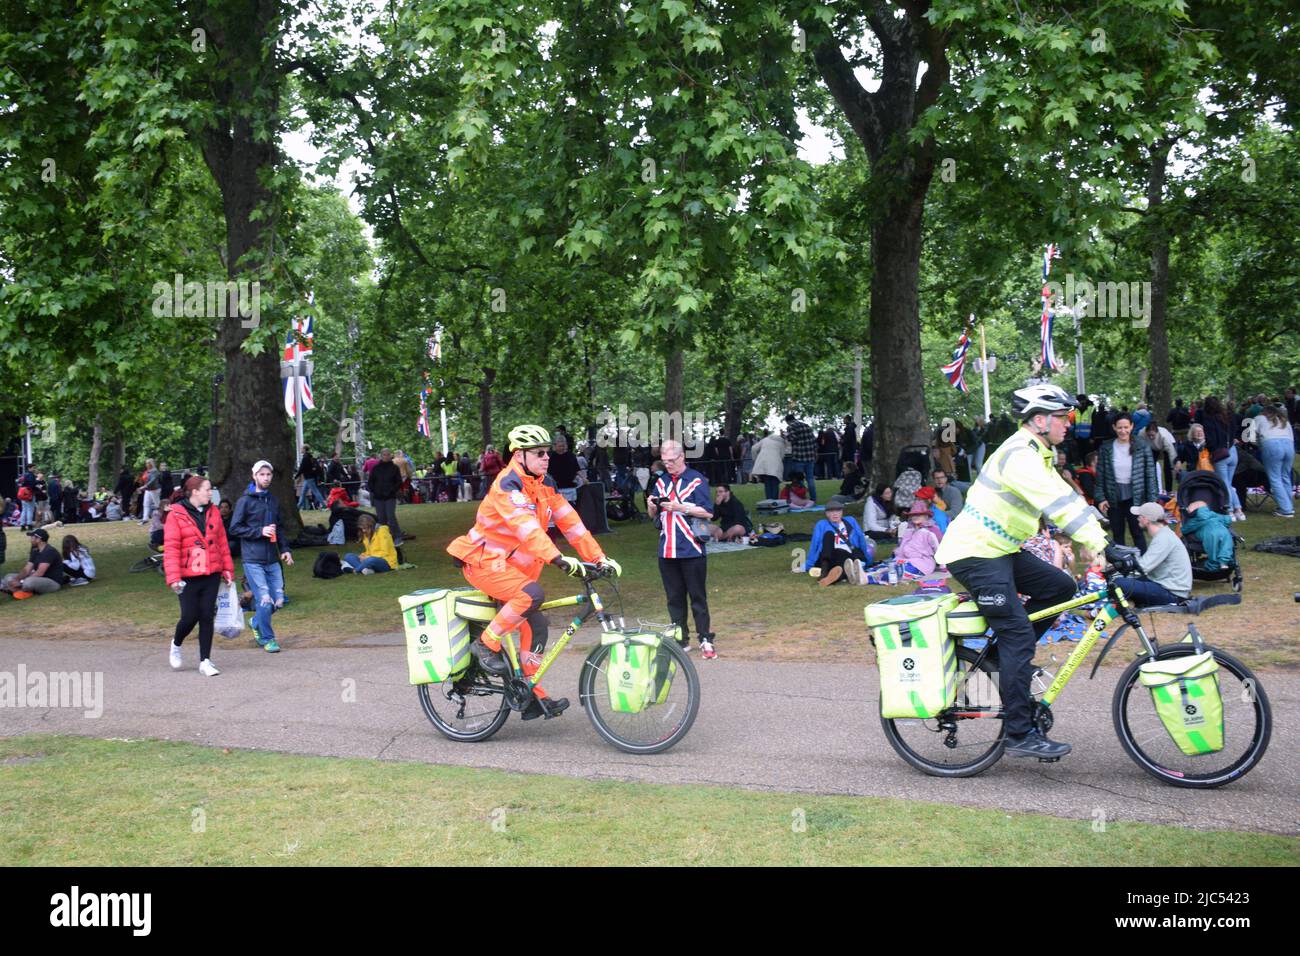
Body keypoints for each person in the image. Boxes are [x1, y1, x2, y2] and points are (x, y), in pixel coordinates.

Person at [934, 384, 1110, 761]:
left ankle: (1005, 659)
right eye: (1064, 417)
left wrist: (1102, 536)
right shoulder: (1019, 454)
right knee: (1018, 636)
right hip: (974, 554)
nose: (1069, 423)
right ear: (1040, 420)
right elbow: (1057, 503)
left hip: (999, 551)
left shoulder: (1039, 453)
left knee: (1061, 587)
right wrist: (1099, 544)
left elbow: (1069, 499)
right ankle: (1019, 733)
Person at [446, 424, 619, 719]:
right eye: (539, 453)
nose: (546, 457)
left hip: (510, 569)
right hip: (484, 563)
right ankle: (485, 644)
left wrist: (599, 558)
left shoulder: (544, 483)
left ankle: (530, 695)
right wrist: (558, 559)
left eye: (548, 452)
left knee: (537, 626)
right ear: (520, 455)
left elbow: (572, 524)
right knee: (532, 594)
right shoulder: (507, 486)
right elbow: (526, 529)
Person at [648, 439, 716, 659]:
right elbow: (654, 517)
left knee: (698, 597)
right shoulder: (661, 482)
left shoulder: (696, 480)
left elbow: (708, 512)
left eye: (671, 460)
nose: (667, 465)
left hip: (692, 548)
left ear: (682, 457)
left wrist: (681, 507)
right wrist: (651, 506)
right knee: (674, 598)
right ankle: (681, 639)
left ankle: (705, 638)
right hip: (667, 549)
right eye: (664, 461)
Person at [163, 475, 235, 676]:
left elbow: (222, 543)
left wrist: (228, 570)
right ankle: (176, 644)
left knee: (206, 616)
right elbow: (171, 548)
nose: (210, 493)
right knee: (189, 617)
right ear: (194, 491)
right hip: (187, 576)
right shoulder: (176, 514)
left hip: (211, 573)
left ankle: (205, 660)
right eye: (207, 489)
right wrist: (174, 578)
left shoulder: (213, 511)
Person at [229, 460, 294, 654]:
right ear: (254, 476)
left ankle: (256, 621)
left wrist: (284, 549)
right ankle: (268, 639)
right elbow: (234, 528)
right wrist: (260, 531)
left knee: (277, 600)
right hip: (252, 559)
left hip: (272, 558)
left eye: (268, 475)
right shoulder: (244, 501)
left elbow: (279, 528)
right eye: (262, 475)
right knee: (264, 601)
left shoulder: (272, 500)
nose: (266, 478)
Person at [1095, 412, 1159, 549]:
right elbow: (1100, 475)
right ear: (1114, 427)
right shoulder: (1106, 447)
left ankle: (1143, 566)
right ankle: (1122, 566)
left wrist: (1151, 500)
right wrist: (1100, 498)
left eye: (1126, 427)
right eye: (1119, 427)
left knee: (1138, 532)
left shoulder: (1142, 446)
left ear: (1132, 426)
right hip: (1114, 495)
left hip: (1135, 496)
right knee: (1117, 534)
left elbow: (1150, 474)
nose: (1123, 431)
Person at [1111, 503, 1192, 606]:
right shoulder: (1164, 534)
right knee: (1124, 580)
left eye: (1140, 516)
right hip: (1165, 585)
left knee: (1118, 583)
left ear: (1147, 519)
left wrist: (1118, 568)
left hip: (1173, 593)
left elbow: (1142, 568)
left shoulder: (1163, 539)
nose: (1137, 518)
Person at [803, 495, 872, 585]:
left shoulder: (850, 521)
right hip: (827, 556)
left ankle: (834, 577)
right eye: (831, 511)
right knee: (829, 535)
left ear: (842, 512)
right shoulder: (822, 524)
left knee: (844, 557)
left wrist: (867, 559)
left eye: (838, 511)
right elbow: (814, 545)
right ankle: (828, 572)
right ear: (827, 514)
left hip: (847, 556)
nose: (835, 514)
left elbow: (861, 539)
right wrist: (806, 565)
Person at [1201, 396, 1245, 521]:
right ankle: (1239, 510)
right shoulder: (1228, 417)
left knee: (1224, 483)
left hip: (1220, 453)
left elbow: (1211, 439)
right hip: (1232, 451)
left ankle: (1230, 510)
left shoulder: (1209, 420)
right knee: (1228, 483)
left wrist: (1209, 449)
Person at [1253, 403, 1295, 517]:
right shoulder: (1284, 420)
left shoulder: (1259, 418)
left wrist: (1259, 445)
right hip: (1289, 445)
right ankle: (1289, 505)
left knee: (1275, 478)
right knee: (1285, 476)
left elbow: (1251, 438)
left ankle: (1285, 509)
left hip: (1271, 445)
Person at [1, 528, 67, 596]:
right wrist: (17, 579)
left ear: (38, 539)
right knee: (8, 577)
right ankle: (20, 590)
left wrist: (21, 581)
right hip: (38, 579)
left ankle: (18, 590)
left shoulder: (49, 551)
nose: (30, 540)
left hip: (53, 582)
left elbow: (40, 573)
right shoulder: (35, 551)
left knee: (28, 582)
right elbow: (27, 569)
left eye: (32, 537)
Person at [367, 448, 404, 544]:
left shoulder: (394, 468)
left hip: (390, 497)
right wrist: (375, 491)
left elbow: (398, 482)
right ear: (381, 456)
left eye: (388, 454)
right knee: (381, 518)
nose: (386, 456)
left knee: (390, 517)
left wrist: (392, 491)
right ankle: (384, 537)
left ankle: (397, 536)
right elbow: (371, 482)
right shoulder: (376, 468)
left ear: (390, 455)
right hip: (378, 497)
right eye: (384, 454)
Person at [783, 414, 818, 504]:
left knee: (799, 479)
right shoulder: (806, 426)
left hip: (799, 457)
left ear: (787, 421)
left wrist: (785, 435)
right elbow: (814, 441)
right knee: (810, 479)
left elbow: (792, 439)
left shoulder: (791, 427)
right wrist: (815, 453)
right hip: (810, 457)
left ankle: (802, 496)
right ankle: (813, 498)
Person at [749, 430, 788, 500]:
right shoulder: (782, 443)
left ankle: (769, 501)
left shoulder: (765, 440)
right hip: (776, 464)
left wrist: (755, 460)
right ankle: (774, 502)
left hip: (763, 463)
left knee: (767, 484)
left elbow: (753, 449)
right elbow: (782, 456)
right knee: (775, 484)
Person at [296, 444, 326, 510]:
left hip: (309, 478)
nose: (301, 449)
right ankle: (298, 507)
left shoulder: (305, 457)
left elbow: (302, 468)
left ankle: (324, 505)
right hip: (308, 478)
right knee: (303, 493)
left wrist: (296, 476)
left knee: (315, 491)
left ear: (304, 449)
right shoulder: (309, 456)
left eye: (302, 448)